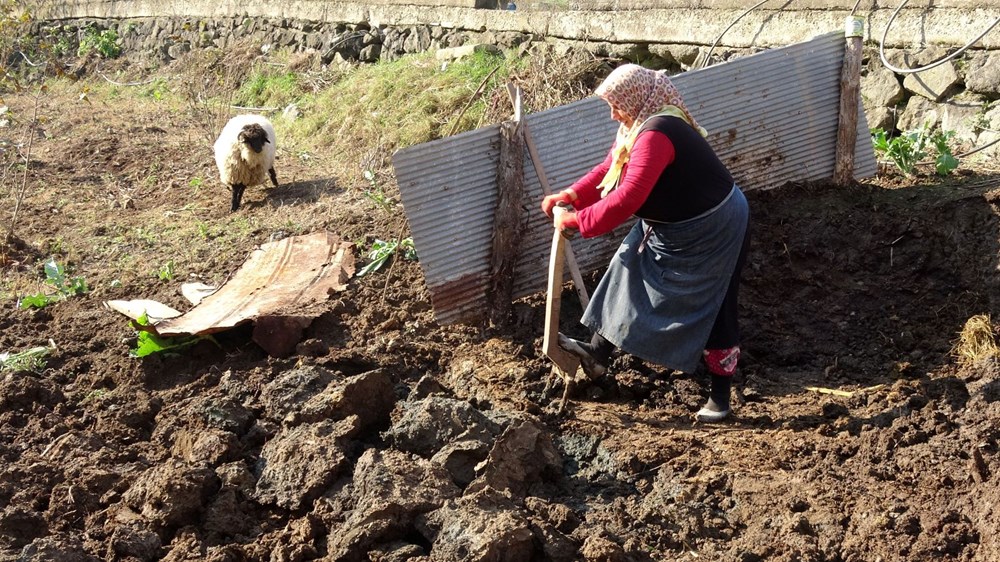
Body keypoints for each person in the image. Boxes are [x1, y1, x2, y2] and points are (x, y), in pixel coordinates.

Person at [540, 63, 750, 422]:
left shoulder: (657, 134)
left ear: (636, 98)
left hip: (714, 229)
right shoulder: (635, 127)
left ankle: (721, 400)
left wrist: (576, 220)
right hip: (673, 225)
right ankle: (596, 354)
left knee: (712, 303)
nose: (612, 113)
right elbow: (610, 170)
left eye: (616, 103)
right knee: (625, 264)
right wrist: (572, 195)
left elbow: (628, 198)